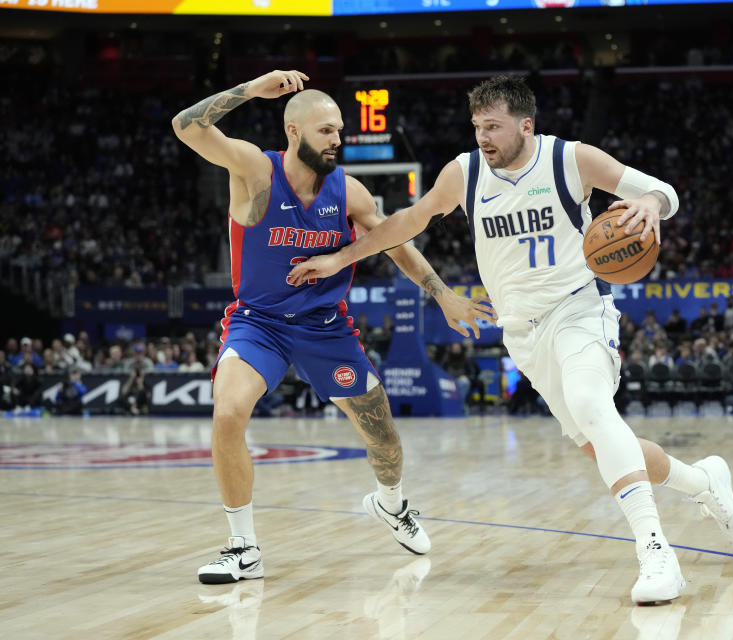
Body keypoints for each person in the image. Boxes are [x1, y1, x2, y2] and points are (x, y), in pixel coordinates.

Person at [290, 75, 733, 604]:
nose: (483, 136)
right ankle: (704, 484)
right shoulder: (463, 173)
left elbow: (662, 191)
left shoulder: (569, 160)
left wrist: (649, 202)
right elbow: (407, 223)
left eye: (493, 126)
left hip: (580, 308)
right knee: (600, 443)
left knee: (591, 406)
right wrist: (340, 257)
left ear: (525, 125)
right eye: (477, 126)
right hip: (523, 333)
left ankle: (657, 554)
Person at [172, 70, 494, 585]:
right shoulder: (256, 170)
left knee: (384, 438)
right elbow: (187, 127)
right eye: (327, 131)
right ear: (294, 132)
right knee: (228, 412)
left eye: (340, 131)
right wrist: (252, 90)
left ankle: (391, 504)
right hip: (261, 323)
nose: (338, 140)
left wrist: (442, 293)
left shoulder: (348, 191)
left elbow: (396, 241)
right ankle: (244, 547)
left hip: (326, 328)